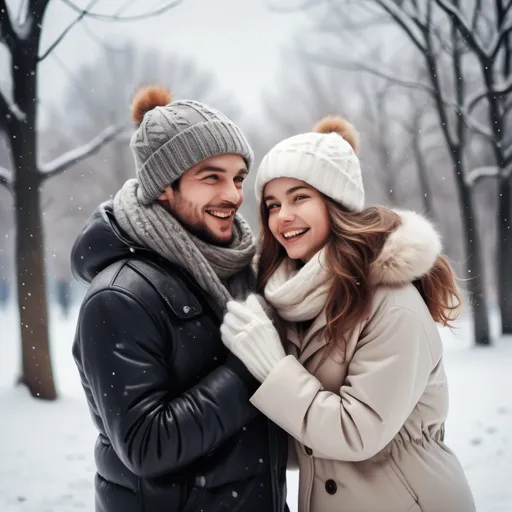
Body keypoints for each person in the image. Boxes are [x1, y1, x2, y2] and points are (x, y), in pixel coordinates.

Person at [220, 116, 476, 511]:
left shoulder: (393, 303)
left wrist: (274, 370)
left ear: (335, 203)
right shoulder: (297, 301)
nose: (282, 216)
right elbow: (302, 441)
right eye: (273, 205)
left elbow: (356, 432)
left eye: (299, 197)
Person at [71, 85, 288, 512]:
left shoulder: (239, 272)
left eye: (238, 177)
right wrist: (253, 367)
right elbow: (147, 445)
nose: (232, 195)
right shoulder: (119, 296)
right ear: (163, 188)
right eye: (211, 177)